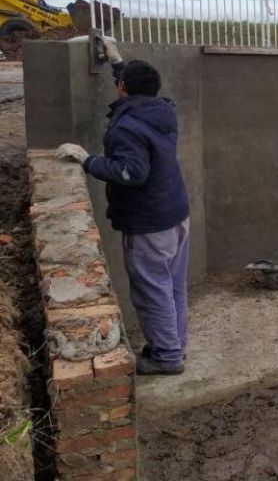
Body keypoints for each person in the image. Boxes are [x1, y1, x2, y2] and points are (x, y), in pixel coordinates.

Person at [55, 39, 190, 376]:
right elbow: (136, 89)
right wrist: (118, 60)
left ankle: (167, 358)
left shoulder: (127, 126)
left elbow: (130, 172)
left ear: (122, 89)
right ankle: (173, 345)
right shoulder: (161, 110)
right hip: (175, 214)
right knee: (172, 285)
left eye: (120, 81)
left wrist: (87, 160)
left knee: (152, 291)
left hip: (149, 223)